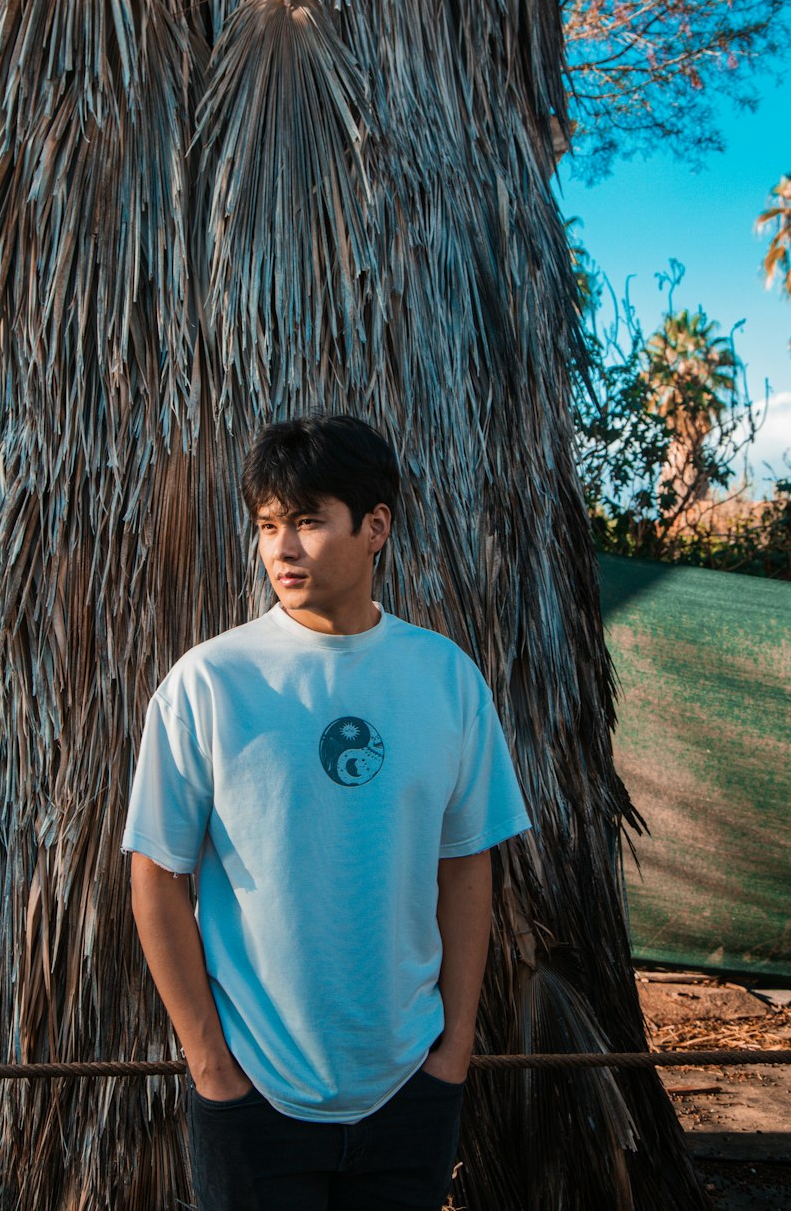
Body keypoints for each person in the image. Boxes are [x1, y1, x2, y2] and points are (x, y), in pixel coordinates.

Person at [122, 414, 531, 1211]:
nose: (282, 548)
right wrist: (210, 1063)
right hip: (253, 1092)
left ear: (375, 526)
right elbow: (156, 876)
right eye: (268, 525)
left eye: (309, 521)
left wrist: (455, 1047)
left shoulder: (446, 680)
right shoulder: (209, 684)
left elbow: (466, 864)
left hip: (410, 1083)